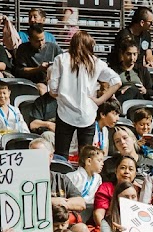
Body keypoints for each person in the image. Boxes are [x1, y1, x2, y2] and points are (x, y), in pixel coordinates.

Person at [48, 31, 121, 159]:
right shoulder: (96, 62)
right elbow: (117, 81)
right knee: (86, 157)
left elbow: (53, 89)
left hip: (65, 113)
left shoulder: (61, 59)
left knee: (60, 155)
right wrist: (100, 100)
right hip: (87, 114)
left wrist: (60, 96)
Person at [13, 24, 61, 91]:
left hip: (53, 80)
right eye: (37, 41)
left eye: (42, 40)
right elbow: (20, 70)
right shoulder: (23, 49)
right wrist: (38, 69)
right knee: (41, 88)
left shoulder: (53, 48)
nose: (41, 43)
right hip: (32, 82)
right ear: (30, 39)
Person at [0, 82, 30, 146]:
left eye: (4, 93)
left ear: (9, 93)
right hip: (1, 142)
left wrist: (26, 138)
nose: (2, 96)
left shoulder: (15, 110)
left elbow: (22, 125)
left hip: (17, 140)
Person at [109, 7, 153, 71]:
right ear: (142, 23)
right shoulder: (124, 35)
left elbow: (149, 54)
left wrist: (151, 63)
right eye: (151, 22)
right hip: (124, 69)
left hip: (139, 70)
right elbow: (121, 59)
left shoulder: (146, 35)